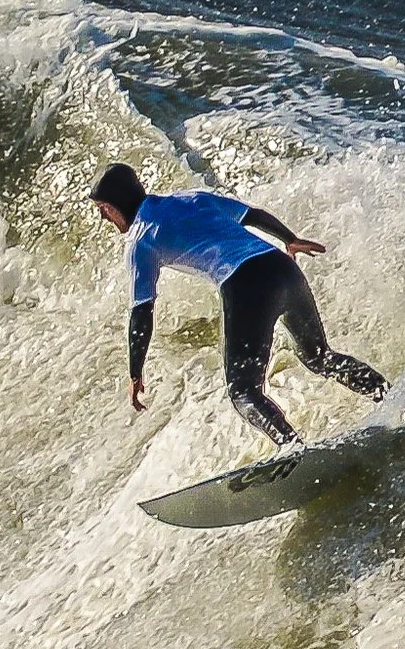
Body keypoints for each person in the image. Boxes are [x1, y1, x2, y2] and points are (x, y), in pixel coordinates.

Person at [89, 162, 386, 446]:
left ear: (115, 205)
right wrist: (290, 239)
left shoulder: (142, 241)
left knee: (243, 391)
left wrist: (134, 372)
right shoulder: (191, 198)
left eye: (103, 209)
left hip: (245, 284)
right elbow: (251, 215)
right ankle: (386, 393)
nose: (104, 218)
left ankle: (292, 448)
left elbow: (142, 311)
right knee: (319, 357)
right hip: (283, 267)